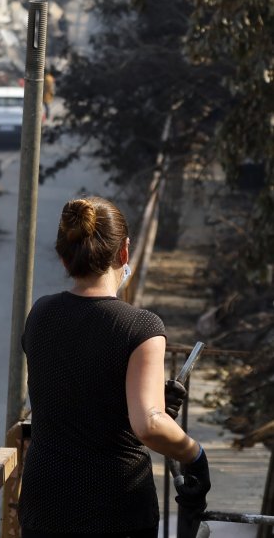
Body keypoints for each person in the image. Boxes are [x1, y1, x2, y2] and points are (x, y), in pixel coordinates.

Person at [19, 197, 210, 537]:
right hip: (114, 509)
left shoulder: (40, 314)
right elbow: (149, 425)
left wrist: (149, 402)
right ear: (124, 253)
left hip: (44, 502)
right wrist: (194, 454)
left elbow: (74, 393)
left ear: (65, 258)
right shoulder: (141, 327)